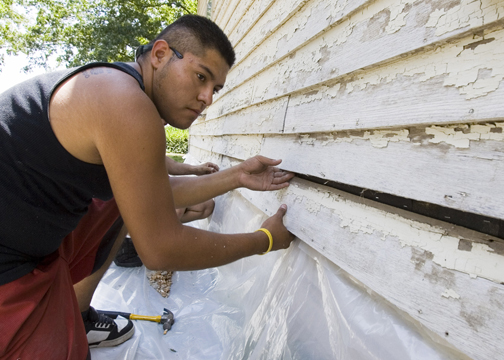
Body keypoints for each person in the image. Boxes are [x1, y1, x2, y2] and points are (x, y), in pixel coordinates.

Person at [0, 14, 295, 360]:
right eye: (201, 77)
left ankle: (77, 315)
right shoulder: (125, 102)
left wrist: (237, 175)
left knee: (119, 204)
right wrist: (266, 240)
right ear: (159, 55)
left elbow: (152, 193)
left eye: (215, 89)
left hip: (28, 234)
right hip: (11, 266)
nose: (206, 98)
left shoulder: (118, 87)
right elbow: (160, 249)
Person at [114, 156, 219, 267]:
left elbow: (160, 160)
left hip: (153, 190)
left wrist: (196, 169)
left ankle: (150, 237)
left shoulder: (149, 144)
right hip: (127, 197)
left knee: (205, 206)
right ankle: (124, 240)